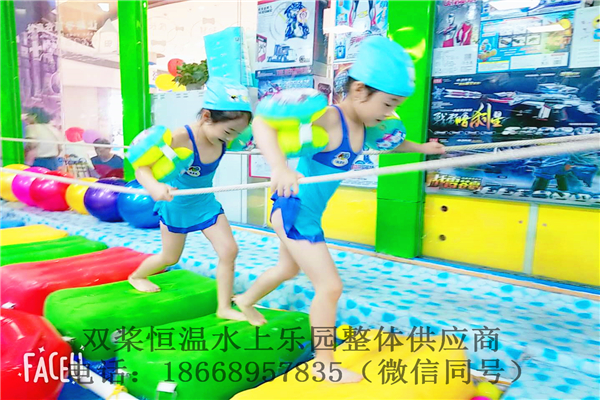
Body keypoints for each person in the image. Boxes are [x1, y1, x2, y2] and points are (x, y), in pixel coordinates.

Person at [235, 36, 446, 383]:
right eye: (387, 104)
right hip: (294, 209)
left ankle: (245, 300)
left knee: (287, 269)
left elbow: (392, 145)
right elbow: (263, 123)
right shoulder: (330, 119)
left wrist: (424, 148)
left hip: (306, 212)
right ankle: (323, 363)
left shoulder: (366, 126)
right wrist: (279, 167)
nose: (389, 113)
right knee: (330, 287)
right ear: (360, 90)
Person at [128, 77, 252, 322]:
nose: (231, 139)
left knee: (229, 250)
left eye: (237, 133)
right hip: (176, 204)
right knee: (170, 258)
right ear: (206, 116)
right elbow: (142, 168)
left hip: (205, 202)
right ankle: (137, 276)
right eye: (228, 132)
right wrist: (154, 187)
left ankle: (224, 307)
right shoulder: (179, 139)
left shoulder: (224, 138)